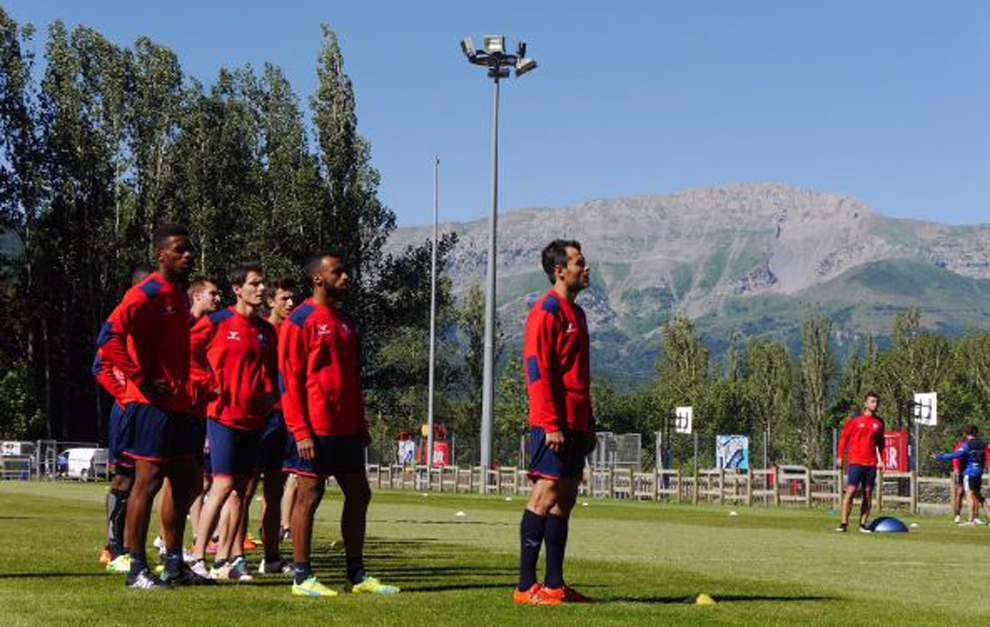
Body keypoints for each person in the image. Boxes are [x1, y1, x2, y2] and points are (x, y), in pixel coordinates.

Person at [99, 223, 212, 588]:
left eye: (189, 249)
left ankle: (175, 563)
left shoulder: (178, 296)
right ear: (160, 255)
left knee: (188, 480)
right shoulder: (144, 292)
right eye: (180, 249)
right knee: (145, 484)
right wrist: (141, 378)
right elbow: (108, 338)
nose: (188, 255)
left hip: (179, 404)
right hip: (150, 404)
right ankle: (135, 567)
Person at [280, 253, 399, 597]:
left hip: (346, 426)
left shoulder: (347, 322)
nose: (346, 277)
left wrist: (360, 420)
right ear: (318, 279)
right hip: (314, 427)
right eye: (338, 272)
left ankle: (356, 575)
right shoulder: (299, 320)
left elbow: (351, 377)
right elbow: (290, 379)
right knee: (309, 496)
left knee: (360, 494)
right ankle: (302, 577)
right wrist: (300, 430)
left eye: (346, 271)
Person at [514, 239, 596, 606]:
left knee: (565, 500)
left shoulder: (576, 314)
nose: (586, 268)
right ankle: (524, 587)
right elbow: (537, 371)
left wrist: (588, 424)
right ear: (559, 270)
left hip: (576, 423)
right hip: (553, 423)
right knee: (544, 494)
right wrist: (550, 423)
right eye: (579, 262)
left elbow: (580, 376)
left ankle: (554, 586)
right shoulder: (546, 312)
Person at [188, 263, 278, 581]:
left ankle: (225, 561)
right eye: (254, 283)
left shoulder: (267, 331)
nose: (261, 288)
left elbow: (269, 372)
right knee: (223, 484)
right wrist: (207, 384)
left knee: (242, 490)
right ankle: (198, 557)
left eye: (262, 283)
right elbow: (188, 353)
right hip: (223, 417)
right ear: (238, 289)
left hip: (254, 420)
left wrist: (270, 396)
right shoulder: (217, 322)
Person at [94, 264, 153, 573]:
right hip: (128, 410)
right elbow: (100, 366)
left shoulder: (155, 321)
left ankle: (132, 547)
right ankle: (114, 548)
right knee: (125, 478)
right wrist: (124, 394)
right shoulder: (121, 320)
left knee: (148, 480)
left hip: (150, 409)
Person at [250, 275, 297, 576]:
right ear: (270, 301)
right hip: (261, 419)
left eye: (292, 298)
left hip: (287, 418)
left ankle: (272, 557)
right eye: (284, 299)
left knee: (275, 490)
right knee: (241, 487)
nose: (290, 304)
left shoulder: (294, 331)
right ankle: (226, 555)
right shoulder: (263, 332)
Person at [834, 393, 885, 533]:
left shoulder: (879, 423)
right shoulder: (855, 421)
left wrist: (882, 461)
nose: (875, 404)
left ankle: (863, 525)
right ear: (866, 404)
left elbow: (881, 444)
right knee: (850, 491)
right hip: (856, 462)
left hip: (871, 463)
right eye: (872, 401)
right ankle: (843, 523)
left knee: (868, 493)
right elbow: (844, 438)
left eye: (876, 402)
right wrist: (840, 456)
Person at [934, 426, 990, 526]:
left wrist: (939, 456)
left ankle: (971, 520)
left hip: (969, 472)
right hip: (979, 472)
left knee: (969, 496)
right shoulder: (982, 443)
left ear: (966, 434)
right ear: (976, 433)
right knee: (979, 496)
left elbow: (955, 455)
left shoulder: (966, 445)